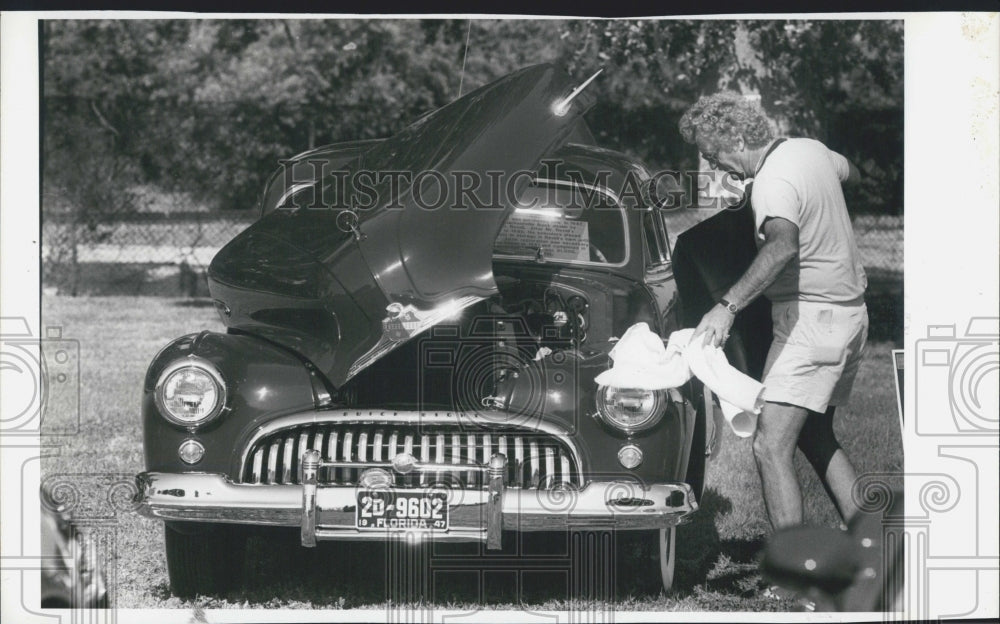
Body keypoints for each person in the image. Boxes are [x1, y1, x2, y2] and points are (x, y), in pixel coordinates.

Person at [678, 92, 868, 530]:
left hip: (811, 324)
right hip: (851, 316)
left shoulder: (770, 183)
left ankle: (795, 576)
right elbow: (850, 174)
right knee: (816, 437)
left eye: (713, 154)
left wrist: (727, 306)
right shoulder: (810, 150)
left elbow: (783, 245)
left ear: (740, 137)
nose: (713, 166)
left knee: (769, 446)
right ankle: (876, 542)